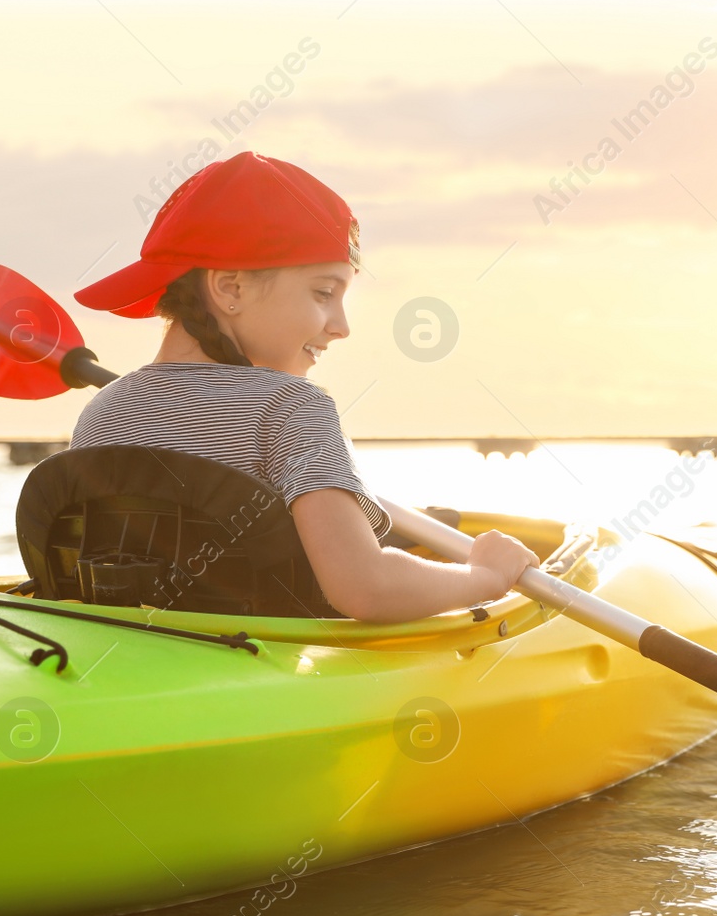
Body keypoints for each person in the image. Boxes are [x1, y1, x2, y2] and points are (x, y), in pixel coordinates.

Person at [68, 151, 538, 623]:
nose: (341, 326)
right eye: (323, 294)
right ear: (230, 289)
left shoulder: (102, 411)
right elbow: (366, 589)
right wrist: (484, 577)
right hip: (262, 675)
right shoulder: (292, 407)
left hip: (127, 658)